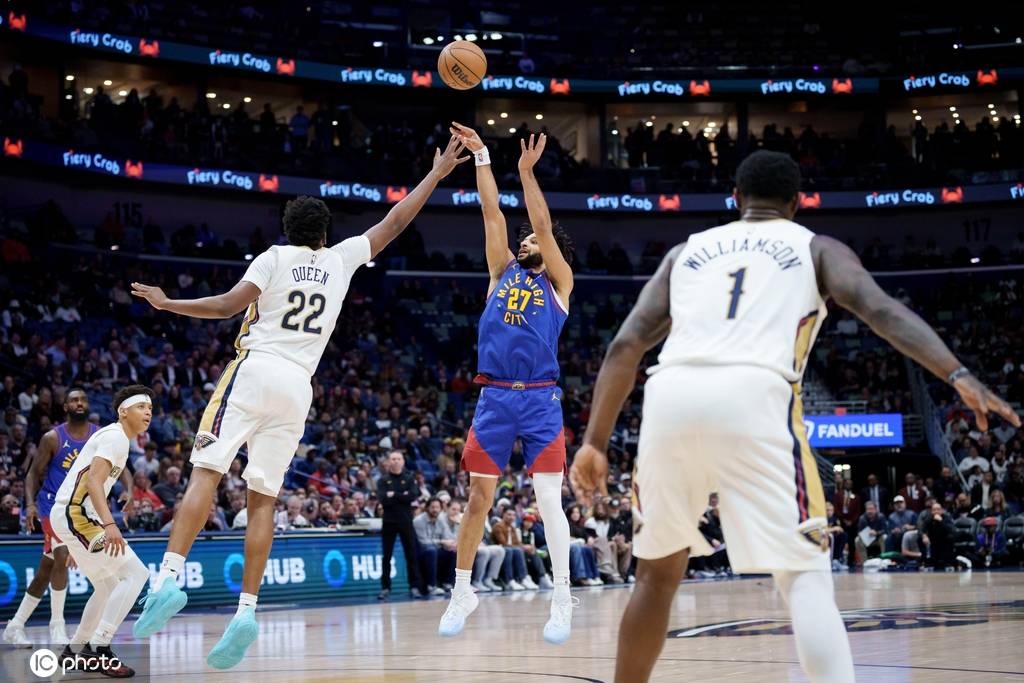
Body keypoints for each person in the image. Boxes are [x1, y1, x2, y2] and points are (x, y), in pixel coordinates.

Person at [570, 149, 1020, 683]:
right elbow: (879, 309)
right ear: (797, 202)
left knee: (656, 575)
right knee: (804, 572)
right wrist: (957, 373)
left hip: (670, 393)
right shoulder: (816, 247)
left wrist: (595, 442)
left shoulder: (684, 253)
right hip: (756, 390)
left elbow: (625, 346)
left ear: (735, 199)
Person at [130, 135, 470, 669]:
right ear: (326, 233)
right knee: (262, 499)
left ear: (287, 231)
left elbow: (227, 306)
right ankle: (246, 610)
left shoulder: (273, 258)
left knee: (206, 473)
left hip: (255, 369)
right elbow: (395, 221)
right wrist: (436, 174)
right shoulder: (341, 260)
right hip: (298, 387)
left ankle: (168, 578)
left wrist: (168, 302)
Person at [440, 123, 576, 644]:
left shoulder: (559, 283)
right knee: (478, 498)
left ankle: (561, 597)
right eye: (523, 239)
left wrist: (526, 173)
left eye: (532, 239)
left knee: (548, 500)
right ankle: (462, 591)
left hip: (540, 400)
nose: (524, 240)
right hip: (494, 398)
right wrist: (482, 157)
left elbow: (540, 221)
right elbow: (491, 212)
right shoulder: (500, 273)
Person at [48, 386, 154, 677]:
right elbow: (94, 482)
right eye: (141, 406)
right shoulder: (115, 436)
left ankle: (75, 650)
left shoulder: (117, 438)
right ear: (123, 411)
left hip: (74, 517)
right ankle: (99, 647)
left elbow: (92, 483)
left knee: (107, 586)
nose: (148, 412)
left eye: (150, 408)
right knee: (136, 574)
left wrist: (79, 541)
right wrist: (109, 525)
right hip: (76, 515)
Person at [3, 388, 99, 647]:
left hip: (76, 508)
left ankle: (14, 626)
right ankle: (57, 626)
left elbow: (119, 467)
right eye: (74, 400)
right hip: (51, 506)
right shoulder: (52, 437)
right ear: (65, 407)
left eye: (83, 399)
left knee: (46, 570)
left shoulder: (97, 435)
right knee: (62, 555)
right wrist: (30, 504)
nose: (80, 403)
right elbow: (33, 474)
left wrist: (129, 489)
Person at [377, 450, 424, 599]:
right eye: (393, 459)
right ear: (388, 462)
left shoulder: (409, 478)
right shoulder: (383, 480)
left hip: (406, 521)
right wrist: (402, 496)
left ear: (403, 461)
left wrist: (394, 495)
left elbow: (413, 496)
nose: (396, 461)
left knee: (411, 554)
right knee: (386, 556)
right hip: (389, 521)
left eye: (398, 459)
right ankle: (385, 587)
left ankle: (414, 586)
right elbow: (383, 499)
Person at [414, 497, 457, 595]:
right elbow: (423, 542)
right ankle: (431, 586)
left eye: (437, 507)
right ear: (427, 508)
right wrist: (442, 542)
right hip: (422, 552)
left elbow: (448, 537)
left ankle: (448, 583)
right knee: (431, 551)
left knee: (454, 551)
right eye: (432, 507)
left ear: (441, 509)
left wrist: (452, 544)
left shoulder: (441, 520)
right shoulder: (418, 521)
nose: (435, 510)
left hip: (436, 550)